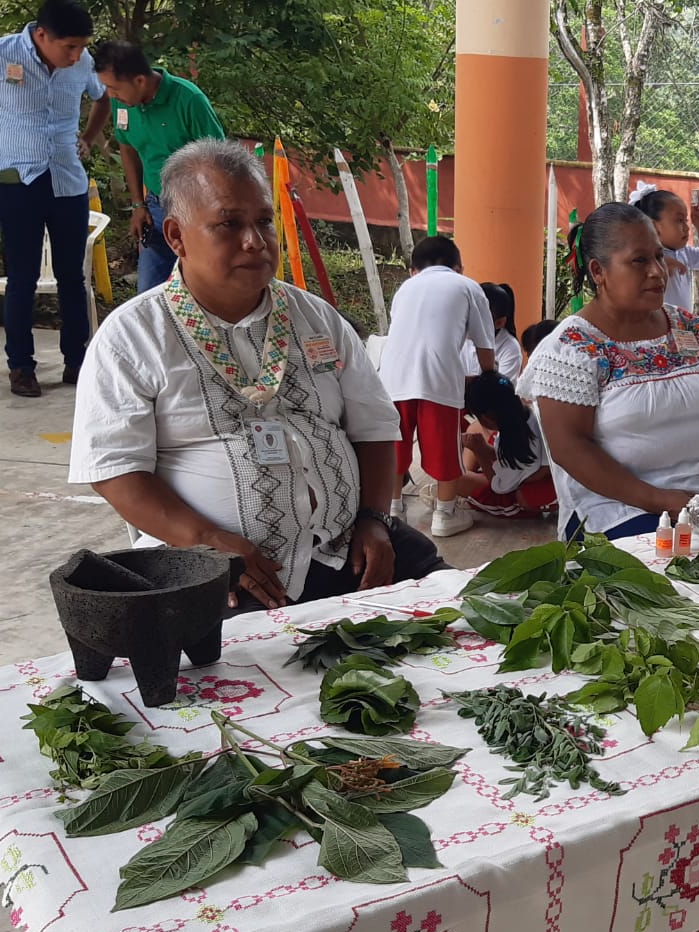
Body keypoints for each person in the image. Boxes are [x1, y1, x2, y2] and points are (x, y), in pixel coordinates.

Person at [67, 139, 444, 612]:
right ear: (177, 236)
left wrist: (373, 518)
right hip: (223, 571)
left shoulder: (316, 317)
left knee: (465, 620)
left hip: (345, 547)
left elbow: (373, 426)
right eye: (229, 224)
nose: (255, 240)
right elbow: (116, 469)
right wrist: (206, 539)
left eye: (263, 221)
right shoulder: (131, 337)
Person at [519, 202, 699, 539]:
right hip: (619, 510)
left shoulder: (691, 329)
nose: (658, 271)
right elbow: (569, 447)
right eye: (639, 261)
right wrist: (658, 500)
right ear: (599, 271)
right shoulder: (573, 347)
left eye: (658, 256)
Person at [0, 0, 110, 397]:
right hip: (18, 183)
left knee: (72, 276)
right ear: (42, 34)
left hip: (68, 181)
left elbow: (102, 97)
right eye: (69, 46)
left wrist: (86, 138)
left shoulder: (81, 63)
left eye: (82, 46)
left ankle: (77, 362)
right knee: (22, 277)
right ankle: (21, 367)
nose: (77, 54)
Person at [378, 236, 498, 537]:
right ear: (458, 266)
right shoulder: (467, 286)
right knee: (445, 447)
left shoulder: (405, 289)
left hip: (392, 378)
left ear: (413, 269)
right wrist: (489, 385)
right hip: (438, 377)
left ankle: (392, 511)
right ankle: (445, 515)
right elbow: (486, 347)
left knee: (396, 445)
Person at [91, 40, 225, 294]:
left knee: (200, 290)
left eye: (113, 87)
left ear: (139, 80)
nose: (110, 95)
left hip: (196, 208)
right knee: (149, 293)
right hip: (155, 206)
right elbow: (128, 149)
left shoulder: (189, 100)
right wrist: (138, 204)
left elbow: (219, 161)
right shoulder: (124, 103)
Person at [460, 371, 557, 519]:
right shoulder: (526, 414)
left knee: (453, 480)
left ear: (486, 418)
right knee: (474, 432)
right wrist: (485, 450)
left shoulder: (519, 444)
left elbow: (500, 486)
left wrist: (480, 452)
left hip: (523, 487)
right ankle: (464, 478)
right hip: (524, 470)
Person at [630, 181, 699, 315]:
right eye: (679, 220)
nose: (686, 227)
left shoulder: (683, 253)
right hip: (655, 327)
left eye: (686, 220)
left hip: (681, 328)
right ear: (653, 227)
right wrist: (659, 261)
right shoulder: (638, 258)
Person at [467, 282, 526, 382]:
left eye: (479, 317)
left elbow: (500, 390)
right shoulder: (461, 339)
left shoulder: (510, 348)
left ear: (499, 323)